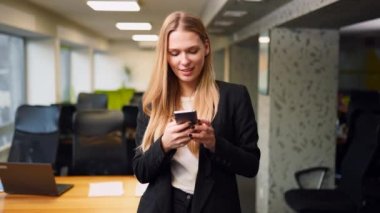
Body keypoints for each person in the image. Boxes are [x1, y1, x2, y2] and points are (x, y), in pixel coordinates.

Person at [133, 11, 260, 213]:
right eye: (174, 53)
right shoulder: (152, 102)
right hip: (163, 205)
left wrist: (215, 143)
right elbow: (141, 172)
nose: (184, 61)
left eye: (192, 50)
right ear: (164, 55)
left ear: (206, 47)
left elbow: (251, 165)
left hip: (215, 205)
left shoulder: (234, 96)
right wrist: (164, 145)